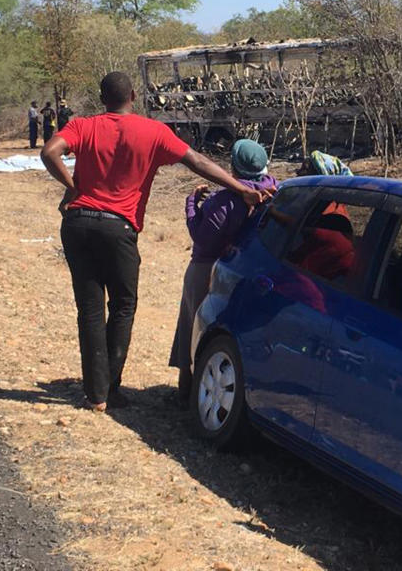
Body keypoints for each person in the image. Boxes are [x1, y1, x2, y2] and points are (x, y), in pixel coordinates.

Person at [40, 72, 270, 412]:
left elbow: (49, 152)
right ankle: (110, 388)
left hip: (77, 224)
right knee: (122, 305)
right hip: (119, 229)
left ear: (102, 98)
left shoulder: (82, 126)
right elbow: (198, 162)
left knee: (89, 309)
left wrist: (73, 187)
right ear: (133, 95)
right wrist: (241, 189)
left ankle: (95, 394)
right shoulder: (154, 131)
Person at [170, 139, 277, 401]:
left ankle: (186, 391)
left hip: (207, 267)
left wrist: (192, 204)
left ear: (234, 165)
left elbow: (202, 238)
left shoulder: (225, 201)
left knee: (192, 323)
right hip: (243, 271)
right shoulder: (272, 191)